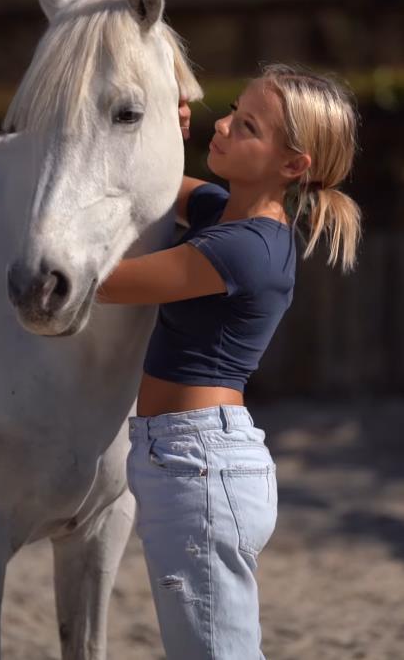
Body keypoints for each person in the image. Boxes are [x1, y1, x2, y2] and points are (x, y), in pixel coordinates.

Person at [96, 64, 361, 659]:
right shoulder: (228, 215)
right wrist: (163, 132)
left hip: (198, 465)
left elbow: (103, 284)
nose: (222, 124)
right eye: (232, 110)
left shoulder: (245, 249)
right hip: (188, 459)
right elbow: (159, 184)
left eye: (246, 125)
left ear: (292, 165)